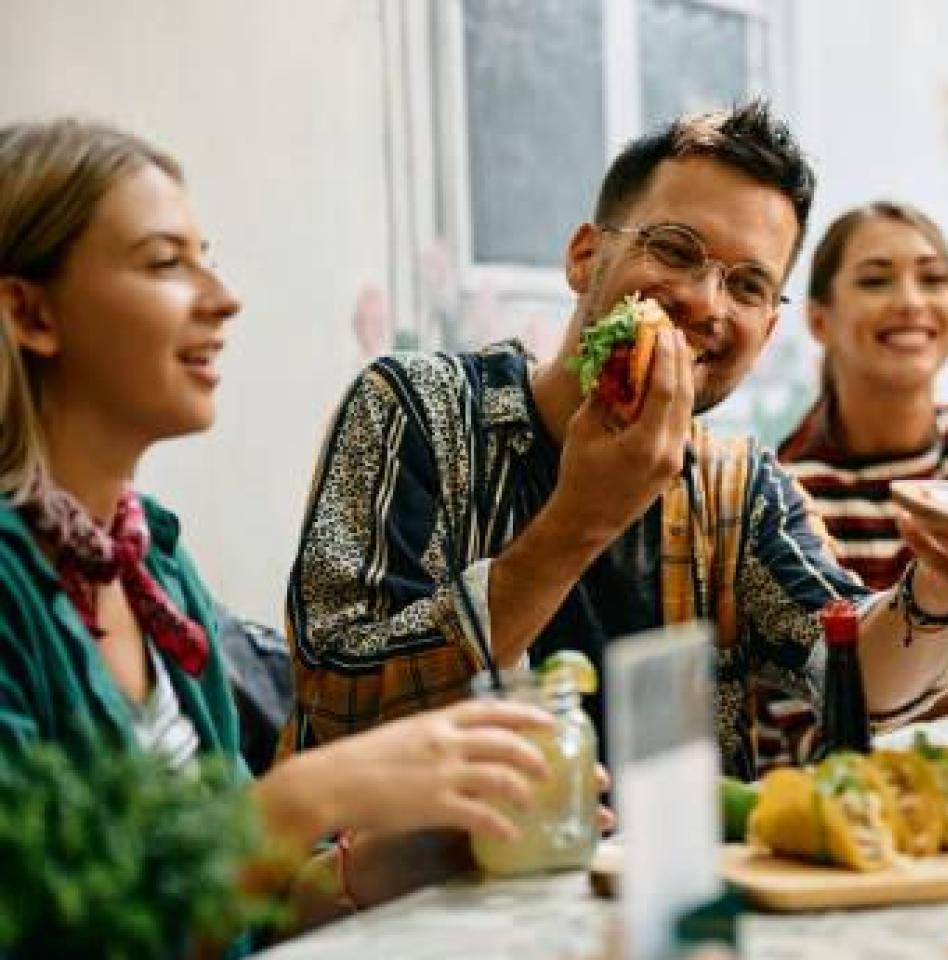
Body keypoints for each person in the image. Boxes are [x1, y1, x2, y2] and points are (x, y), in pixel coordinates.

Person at [282, 102, 948, 780]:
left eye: (746, 285)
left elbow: (853, 677)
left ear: (768, 329)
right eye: (675, 250)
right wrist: (581, 519)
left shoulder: (739, 488)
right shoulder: (416, 406)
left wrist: (940, 592)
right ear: (584, 257)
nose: (705, 304)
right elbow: (342, 701)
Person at [0, 118, 587, 943]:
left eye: (209, 255)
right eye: (167, 263)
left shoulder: (153, 569)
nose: (223, 297)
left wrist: (402, 852)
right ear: (31, 313)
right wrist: (307, 795)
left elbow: (220, 912)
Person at [767, 201, 948, 739]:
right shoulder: (788, 493)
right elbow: (798, 733)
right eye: (875, 281)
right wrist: (946, 680)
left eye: (934, 279)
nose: (912, 302)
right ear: (819, 320)